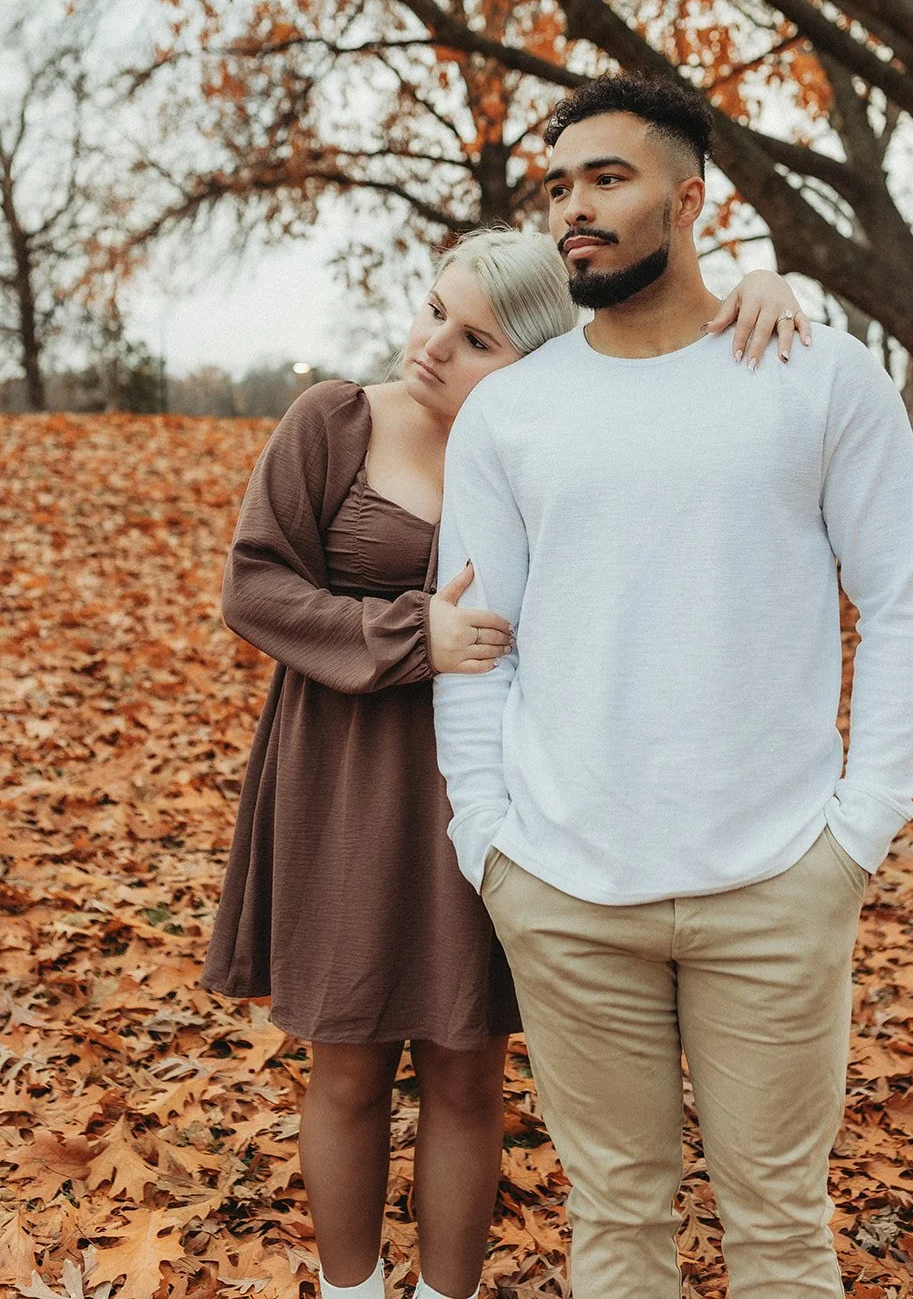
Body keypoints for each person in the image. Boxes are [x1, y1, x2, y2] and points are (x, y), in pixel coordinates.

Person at [202, 223, 810, 1299]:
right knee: (347, 1063)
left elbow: (680, 403)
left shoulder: (563, 440)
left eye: (475, 339)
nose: (432, 345)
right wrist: (410, 634)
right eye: (436, 310)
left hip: (489, 789)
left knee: (466, 1070)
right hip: (345, 784)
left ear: (534, 361)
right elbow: (255, 588)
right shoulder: (335, 422)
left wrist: (762, 285)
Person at [433, 76, 913, 1299]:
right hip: (563, 886)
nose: (573, 207)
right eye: (557, 187)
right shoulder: (511, 414)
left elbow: (901, 602)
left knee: (779, 1227)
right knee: (615, 1222)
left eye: (606, 179)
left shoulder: (817, 377)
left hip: (775, 882)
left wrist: (858, 829)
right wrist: (486, 838)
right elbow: (477, 637)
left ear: (689, 199)